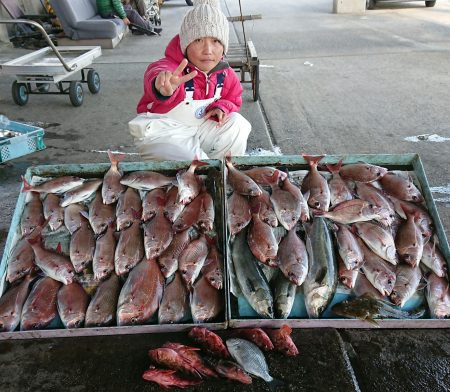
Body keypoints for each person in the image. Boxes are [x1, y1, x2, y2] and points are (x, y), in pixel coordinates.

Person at [129, 0, 251, 161]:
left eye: (215, 41)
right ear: (185, 44)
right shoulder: (172, 67)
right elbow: (156, 72)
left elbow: (233, 99)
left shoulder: (226, 74)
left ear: (223, 46)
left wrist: (221, 107)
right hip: (166, 134)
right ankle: (199, 174)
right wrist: (162, 86)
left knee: (238, 124)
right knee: (192, 161)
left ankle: (224, 170)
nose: (208, 50)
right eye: (199, 40)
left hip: (200, 129)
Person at [96, 0, 162, 35]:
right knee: (133, 13)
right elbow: (116, 4)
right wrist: (124, 17)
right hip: (108, 12)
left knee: (129, 7)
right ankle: (150, 30)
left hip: (107, 10)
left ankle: (140, 29)